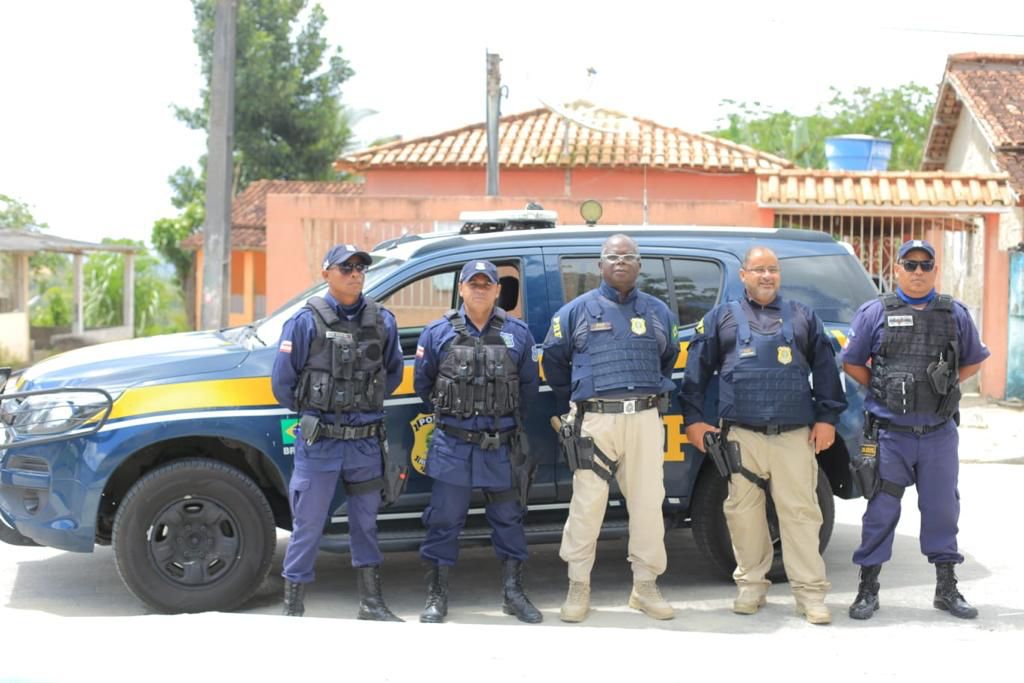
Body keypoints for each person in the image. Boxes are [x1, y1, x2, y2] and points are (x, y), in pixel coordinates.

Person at [682, 246, 847, 625]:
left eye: (772, 269)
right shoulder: (721, 318)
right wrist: (693, 421)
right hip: (741, 436)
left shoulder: (803, 316)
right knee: (742, 515)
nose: (767, 276)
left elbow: (825, 371)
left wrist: (827, 419)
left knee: (802, 515)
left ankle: (810, 595)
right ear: (744, 275)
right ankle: (751, 587)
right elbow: (696, 376)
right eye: (758, 270)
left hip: (794, 436)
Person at [841, 239, 989, 620]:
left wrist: (945, 383)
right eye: (911, 265)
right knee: (880, 512)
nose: (918, 272)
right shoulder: (875, 312)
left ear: (935, 270)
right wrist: (883, 385)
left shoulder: (954, 312)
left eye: (926, 265)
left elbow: (973, 361)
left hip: (938, 433)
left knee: (942, 510)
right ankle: (868, 588)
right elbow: (853, 362)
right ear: (898, 269)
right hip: (890, 435)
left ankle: (946, 587)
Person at [542, 234, 679, 623]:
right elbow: (554, 362)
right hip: (595, 420)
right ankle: (578, 586)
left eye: (630, 257)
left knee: (649, 504)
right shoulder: (575, 312)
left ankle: (645, 586)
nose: (622, 262)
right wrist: (576, 402)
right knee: (587, 505)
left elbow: (667, 359)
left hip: (645, 418)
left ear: (639, 266)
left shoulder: (658, 313)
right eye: (613, 257)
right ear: (600, 265)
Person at [271, 244, 404, 620]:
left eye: (360, 266)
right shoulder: (304, 322)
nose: (355, 272)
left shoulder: (383, 321)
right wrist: (320, 409)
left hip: (364, 443)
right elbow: (283, 384)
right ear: (326, 272)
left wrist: (359, 406)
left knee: (366, 523)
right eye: (346, 267)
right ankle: (293, 606)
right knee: (308, 525)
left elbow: (391, 374)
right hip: (321, 442)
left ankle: (371, 602)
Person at [413, 260, 542, 624]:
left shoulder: (518, 333)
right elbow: (424, 386)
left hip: (502, 446)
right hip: (452, 445)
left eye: (488, 283)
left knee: (509, 519)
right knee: (444, 520)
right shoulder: (437, 332)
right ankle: (437, 595)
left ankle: (513, 593)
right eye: (474, 283)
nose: (481, 288)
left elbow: (528, 389)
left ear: (498, 290)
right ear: (462, 288)